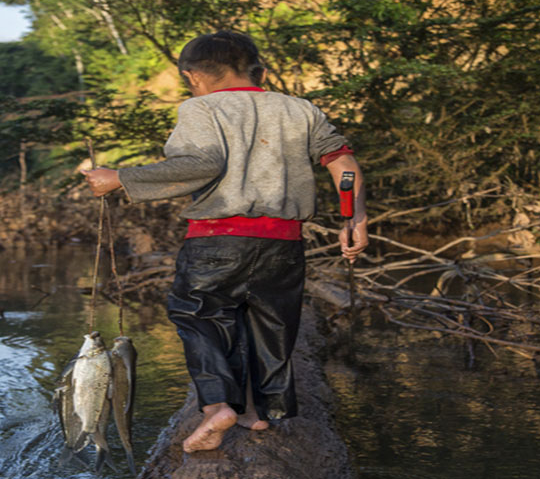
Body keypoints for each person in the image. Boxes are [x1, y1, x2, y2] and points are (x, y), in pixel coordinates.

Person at [81, 30, 368, 453]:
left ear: (192, 76)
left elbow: (200, 165)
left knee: (199, 316)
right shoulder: (300, 110)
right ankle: (260, 414)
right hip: (283, 243)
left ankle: (217, 406)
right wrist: (353, 216)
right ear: (261, 71)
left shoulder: (201, 108)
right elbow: (342, 164)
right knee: (271, 325)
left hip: (218, 240)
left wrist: (120, 178)